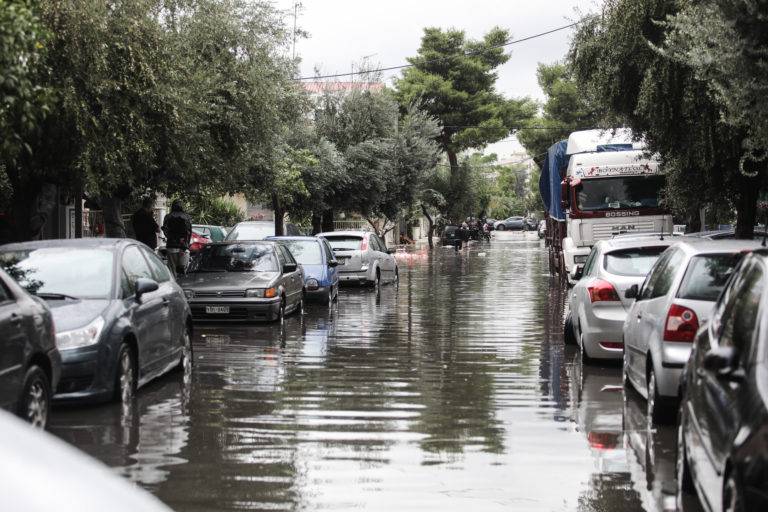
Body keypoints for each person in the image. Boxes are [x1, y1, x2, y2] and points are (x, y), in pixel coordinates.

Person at [162, 199, 192, 276]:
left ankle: (173, 286)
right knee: (183, 271)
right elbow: (188, 233)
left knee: (172, 270)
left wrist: (174, 238)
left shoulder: (168, 217)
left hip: (171, 246)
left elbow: (166, 232)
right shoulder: (186, 217)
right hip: (183, 247)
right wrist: (184, 247)